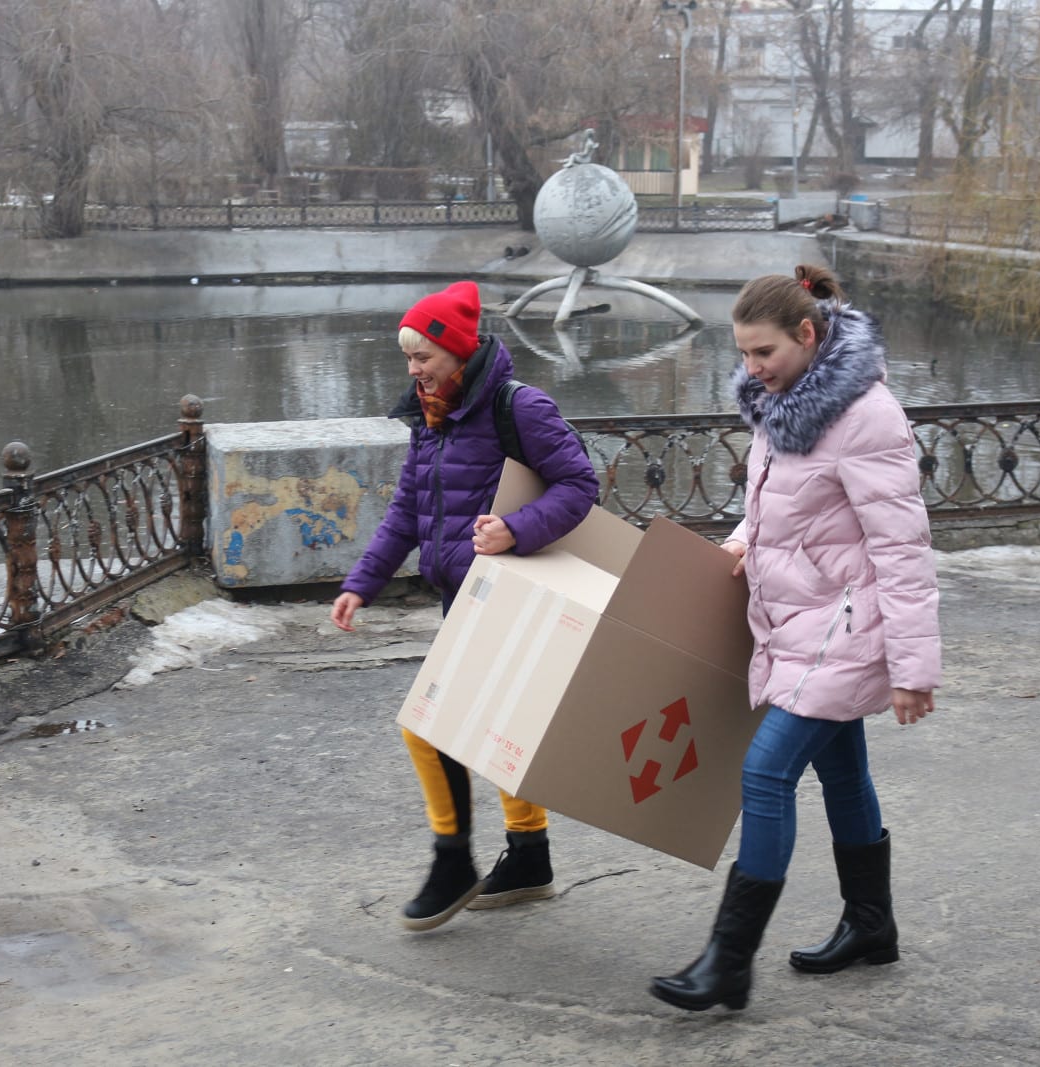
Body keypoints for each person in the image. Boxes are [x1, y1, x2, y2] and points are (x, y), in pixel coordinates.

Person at [650, 264, 940, 1011]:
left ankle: (728, 960)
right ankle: (872, 925)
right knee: (841, 774)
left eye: (764, 353)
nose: (751, 369)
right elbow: (780, 506)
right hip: (798, 619)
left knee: (766, 772)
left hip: (843, 626)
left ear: (808, 336)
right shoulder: (782, 403)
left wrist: (913, 667)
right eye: (743, 355)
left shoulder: (865, 416)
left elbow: (903, 552)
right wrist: (741, 539)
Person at [331, 280, 599, 932]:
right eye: (408, 358)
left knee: (428, 722)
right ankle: (529, 855)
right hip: (465, 595)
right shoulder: (430, 415)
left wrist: (517, 529)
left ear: (458, 351)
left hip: (512, 593)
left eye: (422, 356)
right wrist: (361, 582)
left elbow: (580, 484)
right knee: (498, 725)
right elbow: (407, 511)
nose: (413, 369)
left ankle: (454, 860)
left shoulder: (519, 407)